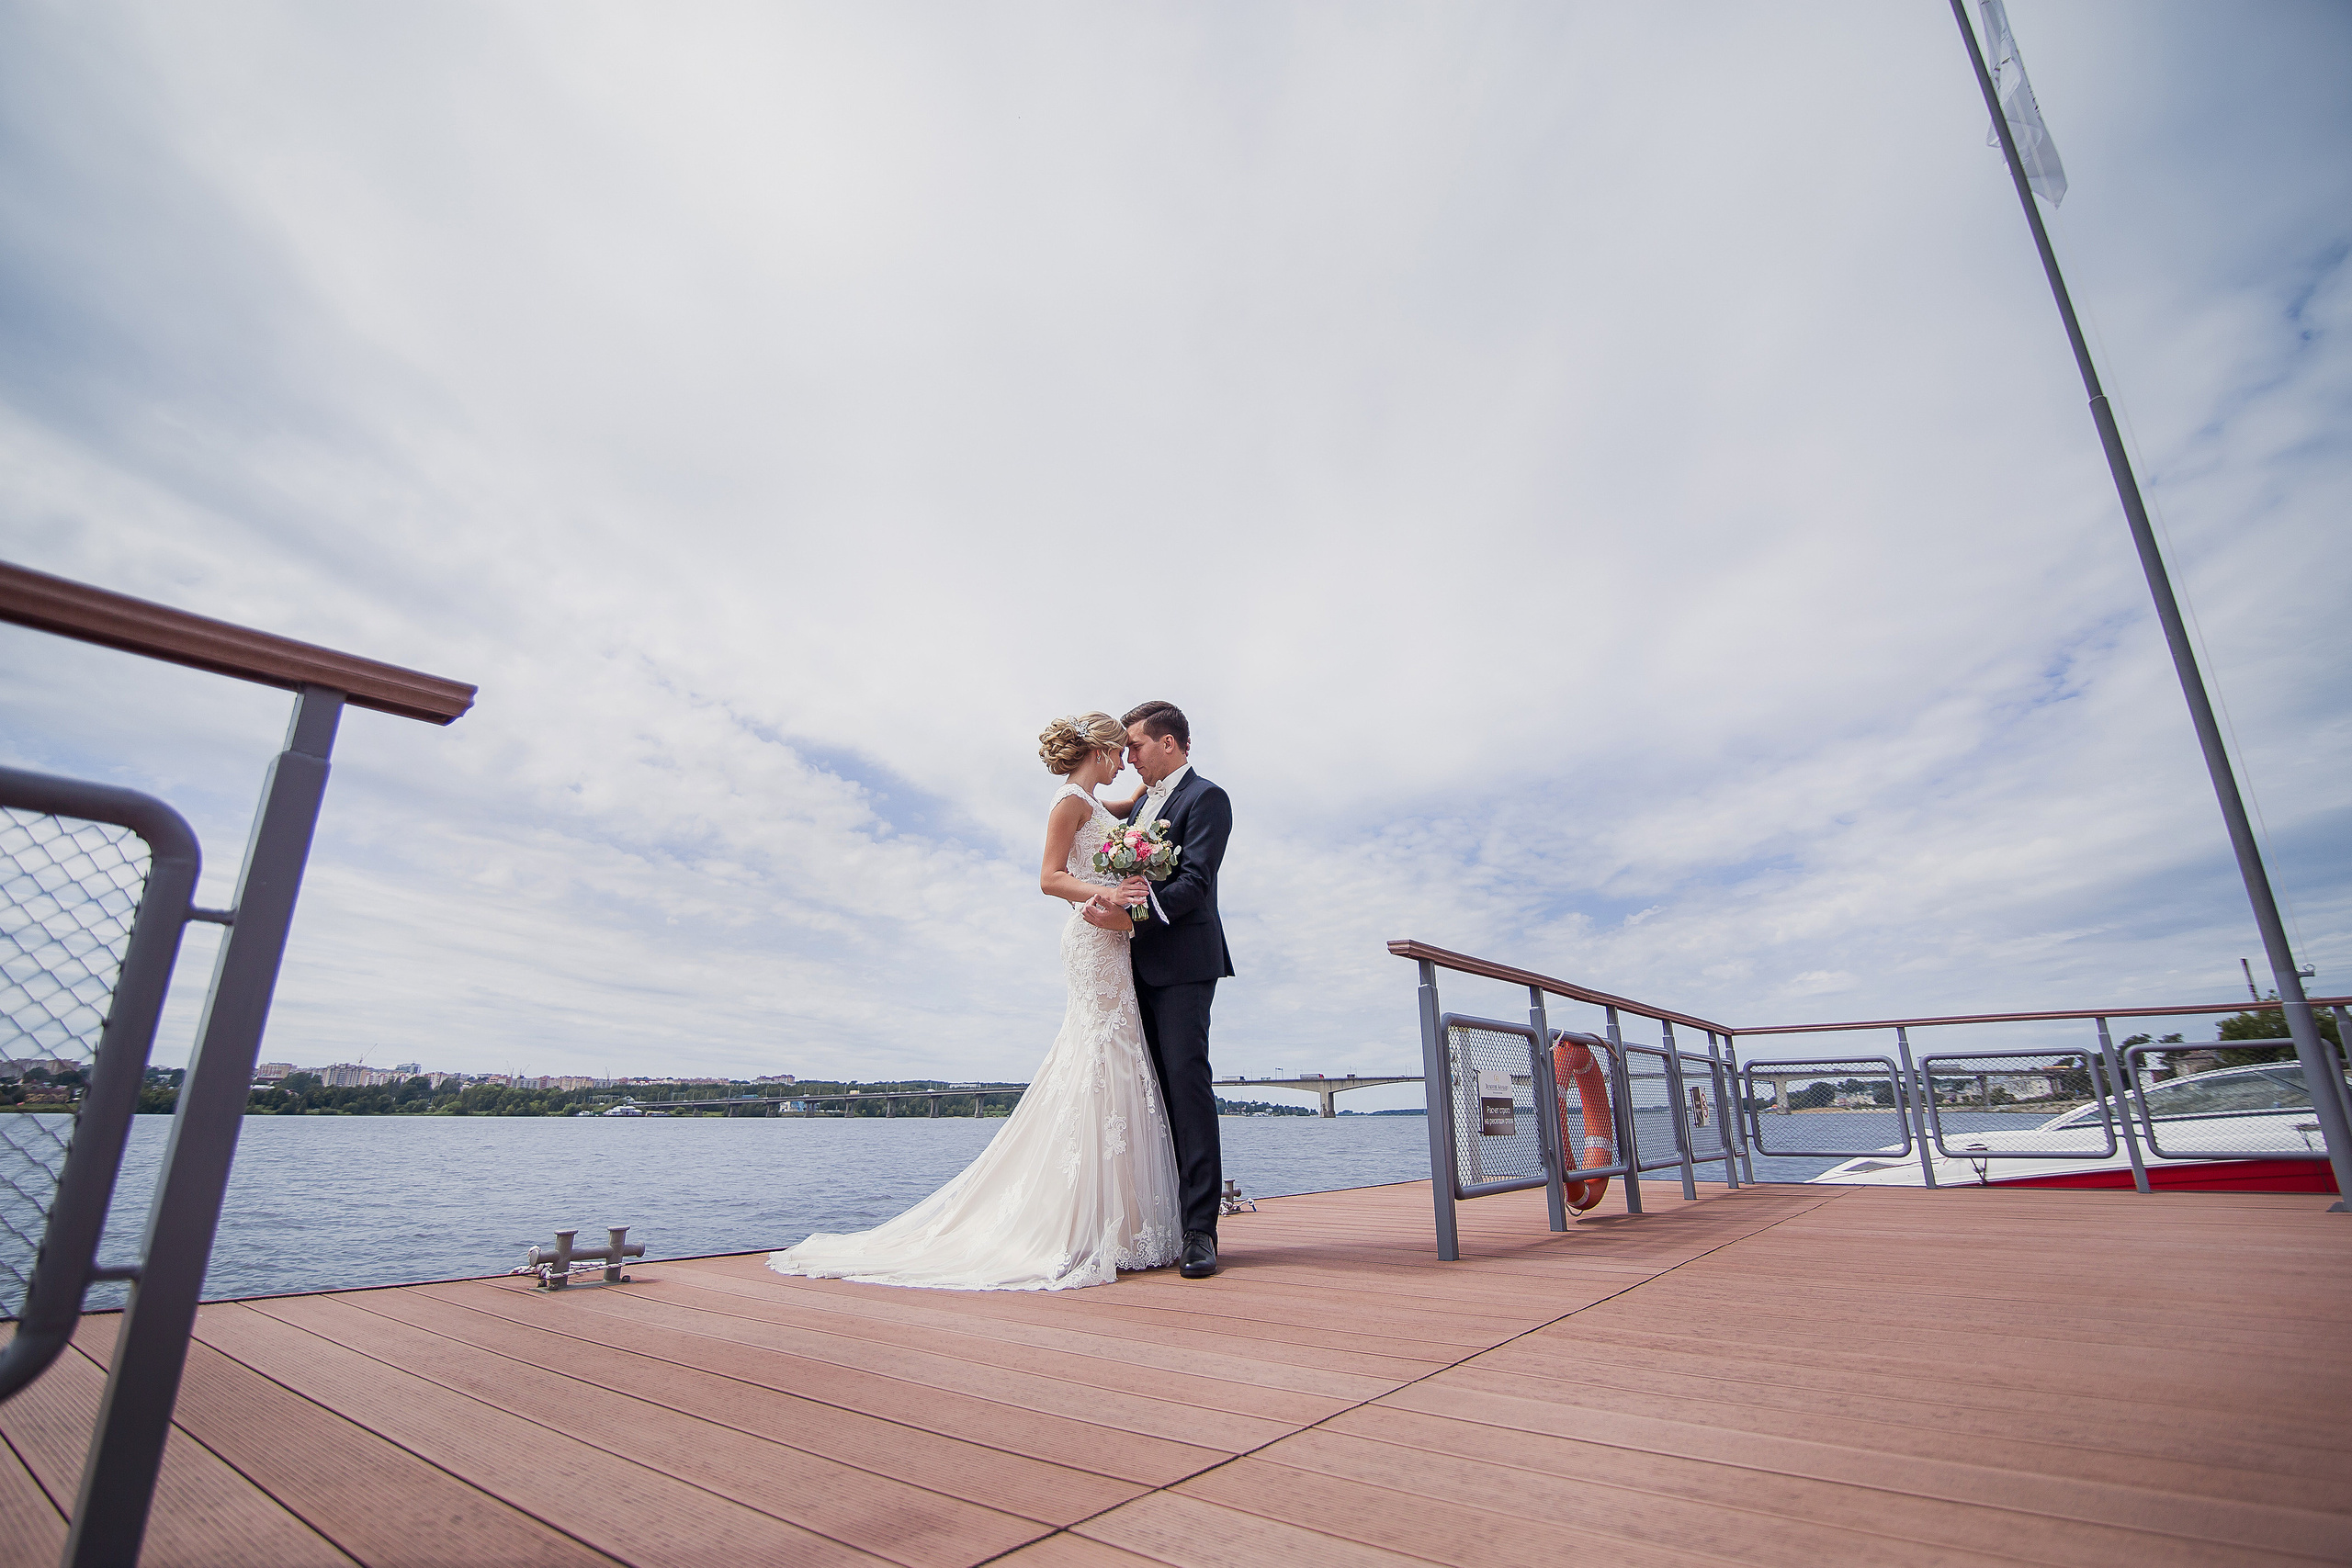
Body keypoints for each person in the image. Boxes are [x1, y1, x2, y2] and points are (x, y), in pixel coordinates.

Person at [768, 713, 1182, 1291]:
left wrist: (1159, 782)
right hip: (1091, 938)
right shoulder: (1068, 803)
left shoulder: (1092, 801)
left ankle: (1124, 1221)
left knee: (1116, 1059)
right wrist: (1108, 890)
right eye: (1119, 753)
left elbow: (1128, 808)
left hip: (1114, 941)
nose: (1124, 763)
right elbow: (1048, 877)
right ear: (1100, 751)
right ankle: (1084, 1221)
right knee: (1096, 1056)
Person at [1116, 700, 1234, 1280]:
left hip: (1183, 963)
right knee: (1144, 1091)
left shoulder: (1207, 797)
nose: (1127, 756)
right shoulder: (1140, 801)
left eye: (1134, 745)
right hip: (1125, 967)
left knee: (1186, 1086)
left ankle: (1200, 1232)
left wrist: (1132, 917)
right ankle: (1152, 1220)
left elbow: (1195, 881)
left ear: (1168, 743)